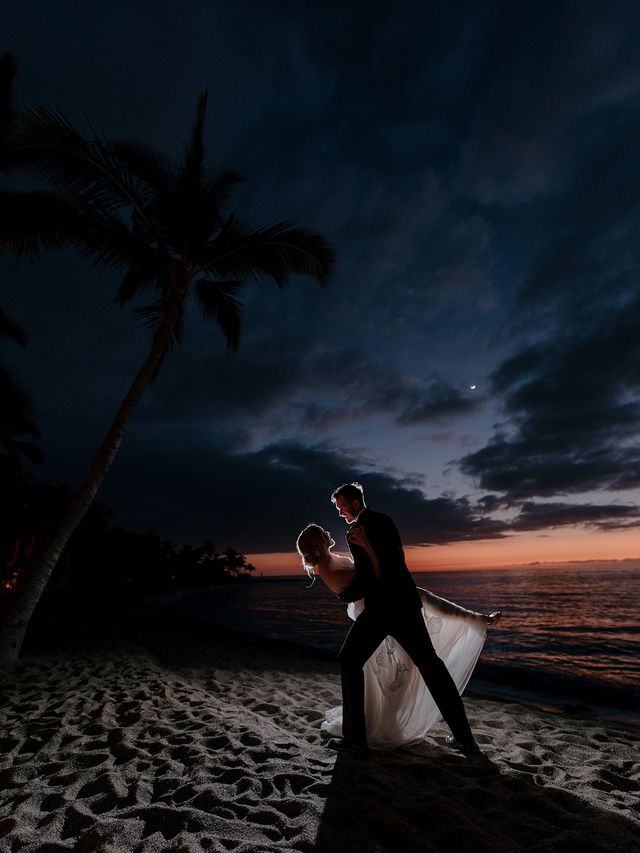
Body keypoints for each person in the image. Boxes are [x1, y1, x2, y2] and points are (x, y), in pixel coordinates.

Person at [299, 482, 498, 757]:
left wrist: (345, 595)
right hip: (405, 603)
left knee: (350, 660)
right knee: (432, 668)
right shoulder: (386, 521)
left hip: (382, 609)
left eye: (342, 505)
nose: (341, 511)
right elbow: (396, 562)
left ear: (356, 503)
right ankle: (466, 741)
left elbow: (371, 578)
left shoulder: (356, 531)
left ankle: (355, 741)